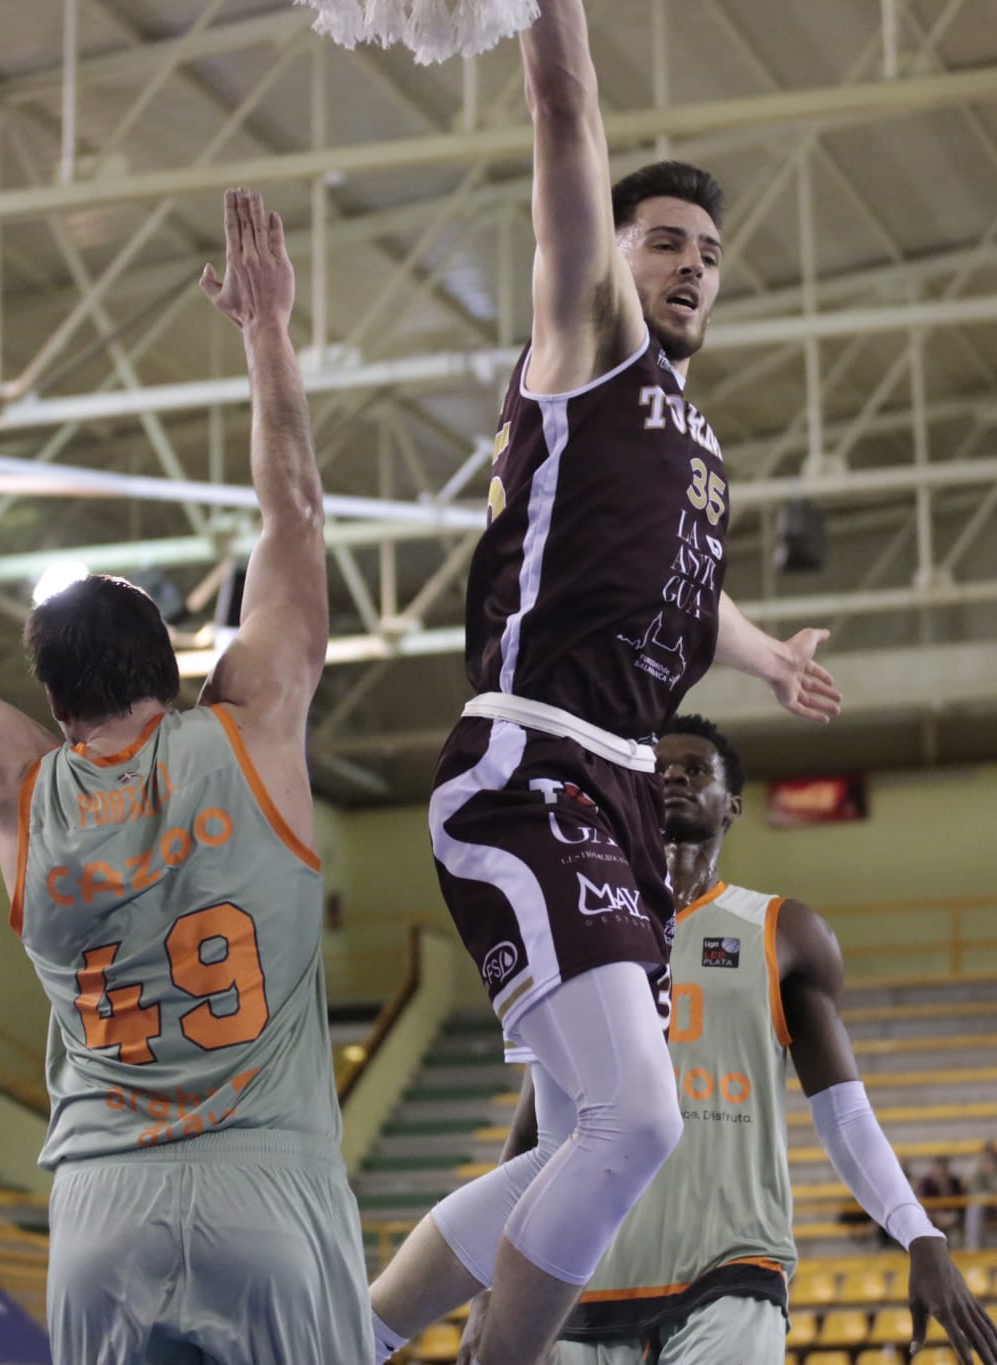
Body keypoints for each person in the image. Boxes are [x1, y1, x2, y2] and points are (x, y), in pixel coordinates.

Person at [365, 3, 842, 1361]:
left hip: (616, 789)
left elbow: (688, 594)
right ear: (614, 257)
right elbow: (564, 105)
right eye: (666, 244)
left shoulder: (693, 443)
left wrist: (763, 656)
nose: (693, 268)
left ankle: (349, 1328)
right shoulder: (588, 339)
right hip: (530, 770)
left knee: (591, 1132)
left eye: (709, 253)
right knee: (640, 1122)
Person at [0, 189, 371, 1363]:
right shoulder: (251, 723)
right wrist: (264, 328)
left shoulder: (16, 785)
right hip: (266, 1186)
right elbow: (293, 512)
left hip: (99, 1212)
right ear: (180, 665)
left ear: (48, 703)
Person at [462, 716, 997, 1364]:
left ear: (733, 804)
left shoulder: (782, 931)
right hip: (581, 1292)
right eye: (657, 769)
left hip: (732, 1276)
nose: (673, 778)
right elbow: (533, 1135)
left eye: (694, 769)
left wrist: (919, 1232)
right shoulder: (578, 933)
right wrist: (485, 1292)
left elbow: (845, 1113)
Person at [918, 1157, 967, 1239]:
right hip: (934, 1218)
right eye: (938, 1168)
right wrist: (937, 1216)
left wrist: (952, 1216)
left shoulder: (954, 1182)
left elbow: (962, 1204)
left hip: (952, 1217)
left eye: (944, 1168)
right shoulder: (926, 1184)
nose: (941, 1171)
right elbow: (922, 1205)